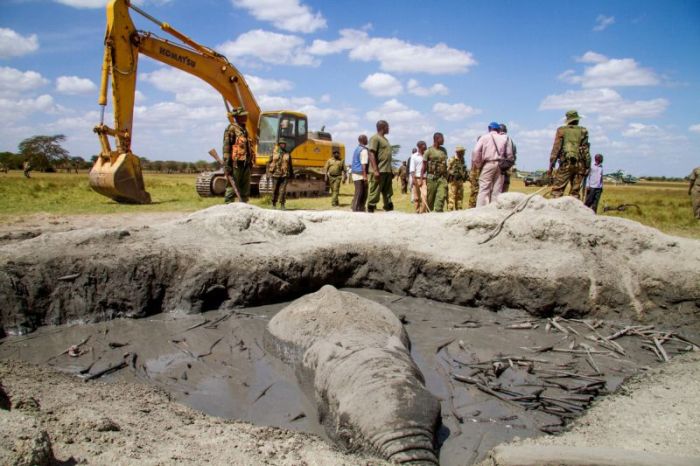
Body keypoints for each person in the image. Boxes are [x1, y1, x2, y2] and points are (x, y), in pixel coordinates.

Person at [548, 109, 591, 199]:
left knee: (557, 191)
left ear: (568, 120)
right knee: (575, 193)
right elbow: (586, 150)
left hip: (566, 164)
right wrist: (587, 166)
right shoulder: (583, 131)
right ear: (577, 120)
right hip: (580, 165)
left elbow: (556, 149)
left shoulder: (561, 130)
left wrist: (551, 165)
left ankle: (554, 211)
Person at [472, 122, 514, 206]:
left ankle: (480, 210)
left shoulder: (484, 137)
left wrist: (479, 164)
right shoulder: (505, 138)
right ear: (498, 129)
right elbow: (510, 155)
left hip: (488, 163)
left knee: (484, 189)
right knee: (497, 190)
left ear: (489, 128)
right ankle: (494, 210)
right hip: (500, 165)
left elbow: (476, 151)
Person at [223, 107, 255, 203]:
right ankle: (228, 207)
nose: (246, 117)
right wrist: (227, 164)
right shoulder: (231, 129)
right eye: (243, 115)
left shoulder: (245, 130)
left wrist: (250, 162)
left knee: (245, 189)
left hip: (246, 164)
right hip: (235, 164)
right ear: (237, 117)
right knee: (232, 188)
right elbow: (227, 148)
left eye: (245, 115)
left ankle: (244, 207)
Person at [367, 120, 393, 212]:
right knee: (375, 192)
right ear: (382, 127)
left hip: (386, 171)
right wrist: (375, 170)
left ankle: (388, 208)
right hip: (379, 170)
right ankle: (371, 209)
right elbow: (371, 154)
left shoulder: (385, 140)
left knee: (388, 192)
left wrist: (391, 171)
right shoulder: (375, 138)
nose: (389, 128)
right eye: (387, 127)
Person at [421, 132, 448, 212]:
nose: (443, 140)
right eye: (442, 138)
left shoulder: (444, 150)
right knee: (430, 200)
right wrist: (421, 179)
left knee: (441, 197)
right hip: (431, 179)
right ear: (436, 139)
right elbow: (424, 167)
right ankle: (429, 216)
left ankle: (438, 212)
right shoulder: (428, 151)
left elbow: (445, 165)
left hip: (442, 178)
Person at [266, 140, 293, 210]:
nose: (283, 145)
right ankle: (273, 204)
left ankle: (282, 204)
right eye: (282, 144)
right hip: (275, 174)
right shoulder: (274, 153)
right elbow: (268, 163)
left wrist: (292, 175)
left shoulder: (287, 153)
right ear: (279, 144)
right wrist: (268, 173)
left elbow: (290, 165)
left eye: (284, 144)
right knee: (275, 189)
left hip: (285, 174)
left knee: (283, 190)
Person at [351, 134, 369, 212]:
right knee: (360, 193)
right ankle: (356, 209)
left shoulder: (357, 148)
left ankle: (358, 208)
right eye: (366, 139)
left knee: (359, 192)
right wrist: (365, 176)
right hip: (360, 174)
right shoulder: (364, 150)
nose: (367, 140)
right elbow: (363, 164)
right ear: (363, 140)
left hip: (355, 173)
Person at [447, 145, 468, 210]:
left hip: (460, 181)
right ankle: (450, 212)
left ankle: (459, 212)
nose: (463, 153)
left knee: (459, 198)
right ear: (458, 152)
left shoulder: (462, 160)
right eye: (462, 152)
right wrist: (452, 174)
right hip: (453, 182)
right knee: (451, 198)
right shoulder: (452, 159)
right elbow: (447, 169)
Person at [499, 124, 517, 192]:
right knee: (505, 185)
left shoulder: (498, 139)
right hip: (507, 166)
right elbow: (513, 155)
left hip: (500, 166)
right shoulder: (511, 141)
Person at [410, 142, 427, 213]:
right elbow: (412, 169)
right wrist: (414, 179)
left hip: (424, 179)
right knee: (416, 198)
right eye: (424, 146)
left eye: (425, 146)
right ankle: (417, 212)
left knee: (425, 196)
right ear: (419, 147)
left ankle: (422, 212)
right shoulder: (414, 156)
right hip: (416, 178)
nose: (425, 147)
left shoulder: (426, 155)